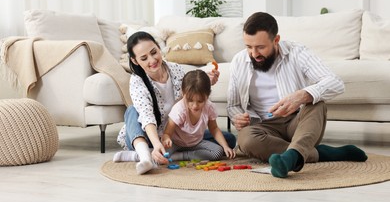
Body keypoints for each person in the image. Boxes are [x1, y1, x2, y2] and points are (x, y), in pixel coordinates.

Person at [227, 12, 367, 178]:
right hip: (264, 127)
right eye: (249, 47)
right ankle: (317, 153)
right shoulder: (238, 61)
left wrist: (303, 95)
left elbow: (336, 82)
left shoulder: (297, 52)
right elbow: (233, 105)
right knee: (246, 139)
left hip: (298, 122)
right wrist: (237, 117)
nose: (254, 53)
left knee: (317, 102)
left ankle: (292, 156)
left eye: (260, 47)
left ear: (276, 40)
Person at [113, 31, 236, 175]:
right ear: (135, 61)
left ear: (159, 48)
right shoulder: (137, 81)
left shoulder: (175, 69)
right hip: (150, 137)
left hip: (178, 135)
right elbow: (146, 117)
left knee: (228, 140)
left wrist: (207, 82)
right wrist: (158, 142)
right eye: (144, 58)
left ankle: (169, 154)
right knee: (132, 111)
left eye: (154, 52)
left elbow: (190, 92)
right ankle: (144, 156)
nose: (152, 60)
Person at [162, 69, 236, 161]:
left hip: (196, 143)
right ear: (183, 93)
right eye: (190, 101)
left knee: (218, 152)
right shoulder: (179, 109)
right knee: (161, 154)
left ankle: (182, 156)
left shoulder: (209, 107)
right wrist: (167, 139)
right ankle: (173, 154)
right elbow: (167, 133)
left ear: (207, 95)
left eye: (200, 101)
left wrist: (225, 146)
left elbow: (214, 129)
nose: (195, 106)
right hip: (176, 143)